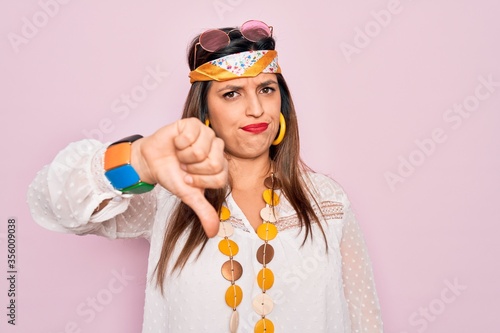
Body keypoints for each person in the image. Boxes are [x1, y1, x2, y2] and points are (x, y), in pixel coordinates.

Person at [27, 20, 383, 333]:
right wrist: (135, 160)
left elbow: (366, 322)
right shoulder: (168, 194)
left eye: (266, 89)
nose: (256, 108)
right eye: (232, 93)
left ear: (281, 102)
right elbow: (52, 204)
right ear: (206, 112)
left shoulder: (329, 202)